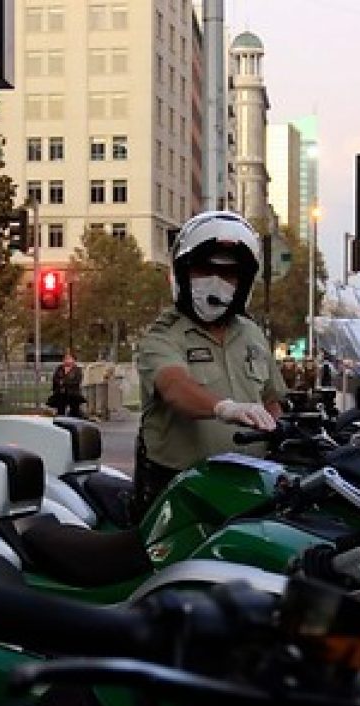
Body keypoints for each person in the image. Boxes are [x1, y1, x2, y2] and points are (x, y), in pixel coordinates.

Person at [134, 210, 287, 514]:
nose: (217, 282)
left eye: (229, 274)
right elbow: (175, 387)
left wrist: (278, 427)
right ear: (182, 273)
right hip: (181, 494)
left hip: (250, 488)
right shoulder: (163, 335)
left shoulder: (252, 334)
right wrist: (225, 408)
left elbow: (272, 400)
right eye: (205, 269)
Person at [49, 350, 85, 418]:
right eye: (65, 358)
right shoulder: (59, 368)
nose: (67, 360)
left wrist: (64, 382)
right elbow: (55, 378)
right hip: (60, 393)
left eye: (69, 358)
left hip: (73, 393)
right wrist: (59, 383)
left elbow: (77, 381)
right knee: (60, 410)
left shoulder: (77, 370)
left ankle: (74, 418)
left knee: (75, 410)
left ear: (73, 360)